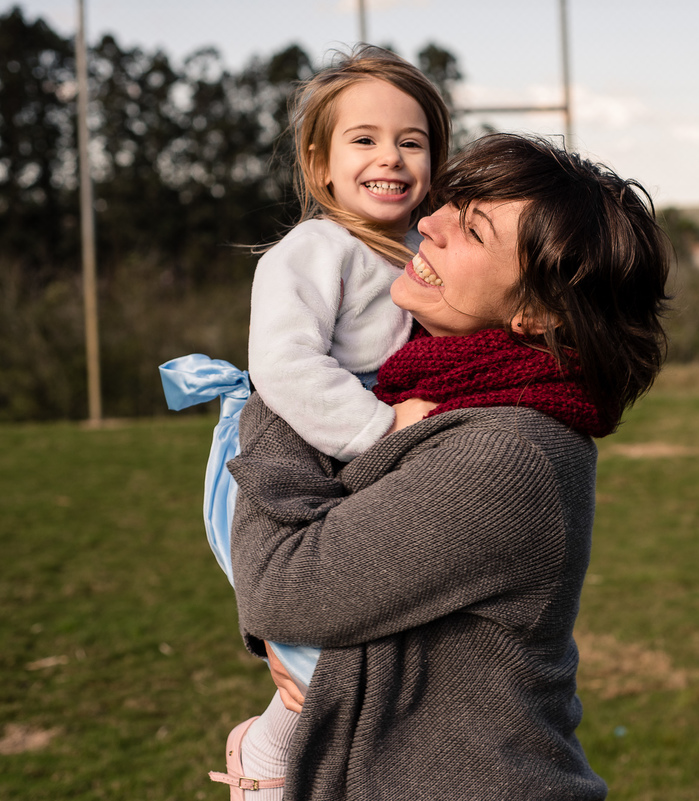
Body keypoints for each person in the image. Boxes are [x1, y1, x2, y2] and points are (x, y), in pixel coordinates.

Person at [221, 132, 672, 800]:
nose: (427, 221)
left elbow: (281, 587)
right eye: (448, 203)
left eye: (472, 228)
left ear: (536, 311)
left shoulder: (507, 453)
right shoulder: (430, 394)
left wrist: (284, 378)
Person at [156, 44, 451, 799]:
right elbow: (284, 367)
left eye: (410, 141)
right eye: (365, 139)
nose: (390, 156)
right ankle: (267, 765)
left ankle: (277, 750)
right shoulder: (315, 248)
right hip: (278, 467)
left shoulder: (419, 249)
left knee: (356, 647)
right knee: (320, 658)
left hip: (349, 460)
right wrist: (382, 431)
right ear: (319, 164)